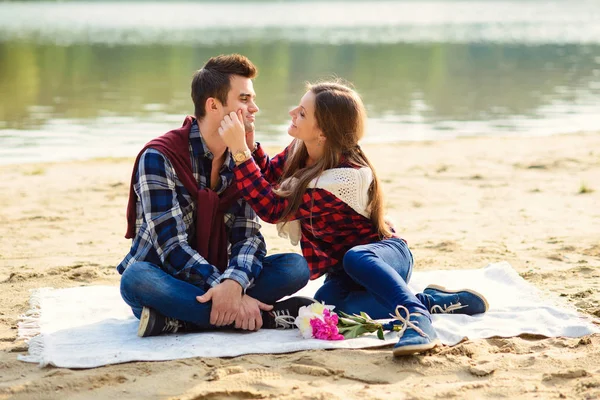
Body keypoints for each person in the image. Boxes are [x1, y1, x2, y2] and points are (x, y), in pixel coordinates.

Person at [218, 80, 489, 356]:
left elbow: (273, 209)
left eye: (302, 113)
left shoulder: (346, 176)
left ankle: (418, 317)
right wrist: (249, 145)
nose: (292, 113)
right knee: (326, 306)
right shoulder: (301, 151)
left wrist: (239, 152)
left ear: (322, 132)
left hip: (384, 257)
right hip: (344, 273)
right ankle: (429, 300)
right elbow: (269, 176)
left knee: (356, 257)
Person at [117, 54, 315, 338]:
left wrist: (233, 283)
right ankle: (259, 316)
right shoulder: (159, 156)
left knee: (296, 267)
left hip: (220, 279)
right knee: (137, 280)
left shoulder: (241, 158)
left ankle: (181, 321)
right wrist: (230, 290)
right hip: (171, 279)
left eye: (252, 99)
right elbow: (171, 247)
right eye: (244, 99)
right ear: (213, 105)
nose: (254, 108)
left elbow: (249, 236)